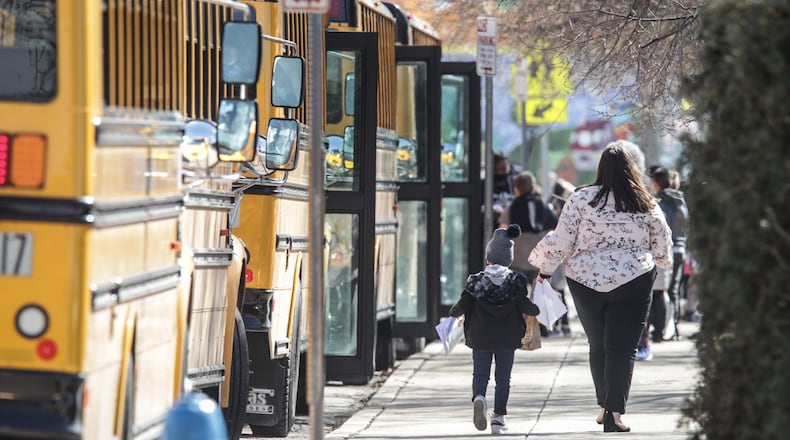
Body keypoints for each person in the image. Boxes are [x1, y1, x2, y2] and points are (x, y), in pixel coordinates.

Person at [528, 140, 672, 433]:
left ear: (601, 168)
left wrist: (544, 271)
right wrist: (661, 260)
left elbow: (562, 238)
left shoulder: (581, 199)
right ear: (632, 168)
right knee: (622, 348)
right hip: (633, 278)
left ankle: (604, 405)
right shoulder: (644, 200)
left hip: (585, 281)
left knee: (598, 344)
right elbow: (662, 239)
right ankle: (615, 413)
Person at [448, 224, 540, 435]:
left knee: (480, 374)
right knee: (503, 379)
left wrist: (452, 312)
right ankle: (498, 418)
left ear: (488, 258)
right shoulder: (516, 282)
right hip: (507, 339)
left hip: (480, 337)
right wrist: (536, 308)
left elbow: (463, 306)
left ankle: (479, 397)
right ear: (509, 259)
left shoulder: (476, 281)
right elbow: (527, 307)